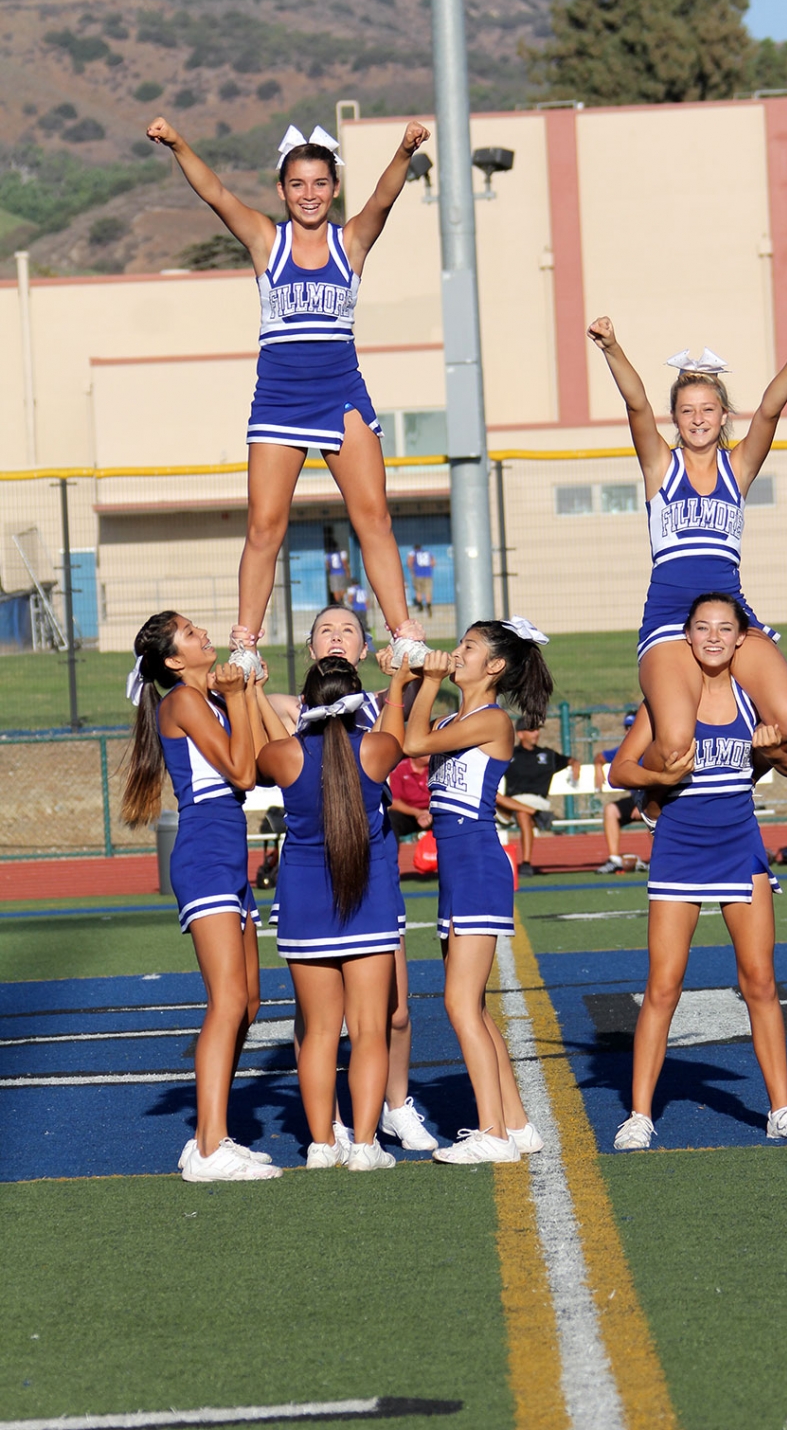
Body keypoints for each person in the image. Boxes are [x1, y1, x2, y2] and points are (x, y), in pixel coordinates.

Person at [145, 114, 430, 672]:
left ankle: (404, 635)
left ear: (334, 188)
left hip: (342, 393)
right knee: (264, 526)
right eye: (297, 184)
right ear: (281, 190)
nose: (309, 194)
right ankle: (246, 646)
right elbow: (216, 194)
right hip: (279, 399)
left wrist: (403, 150)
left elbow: (382, 200)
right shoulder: (265, 241)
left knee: (373, 516)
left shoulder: (350, 243)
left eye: (320, 183)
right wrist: (178, 142)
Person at [608, 592, 787, 1149]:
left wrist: (777, 745)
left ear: (743, 638)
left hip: (740, 849)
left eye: (724, 628)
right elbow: (620, 769)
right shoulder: (667, 701)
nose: (713, 637)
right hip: (679, 851)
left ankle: (781, 1109)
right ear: (685, 637)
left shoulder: (754, 698)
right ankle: (640, 1114)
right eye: (701, 627)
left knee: (760, 982)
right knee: (663, 988)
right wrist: (659, 780)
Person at [587, 316, 787, 775]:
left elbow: (769, 413)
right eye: (687, 410)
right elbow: (636, 406)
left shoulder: (737, 470)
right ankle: (652, 795)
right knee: (675, 743)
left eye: (708, 409)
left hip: (728, 612)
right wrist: (612, 347)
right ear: (674, 418)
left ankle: (741, 773)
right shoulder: (661, 466)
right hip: (670, 615)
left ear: (723, 415)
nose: (698, 418)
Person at [121, 611, 288, 1183]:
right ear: (173, 661)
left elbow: (261, 771)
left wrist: (254, 695)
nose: (203, 635)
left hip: (227, 857)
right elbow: (242, 773)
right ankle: (211, 1144)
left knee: (249, 1005)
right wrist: (238, 697)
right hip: (205, 855)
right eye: (190, 634)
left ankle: (208, 1138)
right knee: (227, 1001)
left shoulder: (208, 702)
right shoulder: (184, 703)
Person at [267, 602, 436, 1153]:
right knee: (323, 1021)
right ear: (311, 648)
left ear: (366, 649)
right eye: (325, 630)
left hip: (368, 864)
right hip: (332, 872)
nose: (337, 636)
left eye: (348, 630)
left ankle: (393, 1108)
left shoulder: (375, 709)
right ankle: (342, 1129)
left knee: (394, 1010)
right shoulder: (289, 710)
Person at [402, 616, 554, 1164]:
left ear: (494, 666)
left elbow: (413, 742)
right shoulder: (457, 715)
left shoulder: (491, 720)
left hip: (478, 865)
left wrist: (422, 680)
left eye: (467, 648)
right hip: (458, 868)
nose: (456, 653)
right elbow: (408, 743)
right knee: (477, 1007)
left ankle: (490, 1133)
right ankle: (515, 1124)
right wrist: (406, 676)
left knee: (459, 1003)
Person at [495, 719, 581, 877]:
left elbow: (569, 760)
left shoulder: (547, 755)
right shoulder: (509, 754)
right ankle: (535, 814)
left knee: (522, 814)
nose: (536, 733)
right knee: (492, 797)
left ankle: (526, 863)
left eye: (537, 729)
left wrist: (575, 763)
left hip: (536, 801)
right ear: (520, 734)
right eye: (531, 730)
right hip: (511, 804)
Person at [594, 710, 651, 874]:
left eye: (632, 726)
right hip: (637, 799)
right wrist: (599, 767)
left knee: (654, 812)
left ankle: (658, 860)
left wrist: (643, 804)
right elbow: (600, 756)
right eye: (627, 727)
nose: (628, 731)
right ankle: (614, 860)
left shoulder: (653, 747)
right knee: (611, 810)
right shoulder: (625, 749)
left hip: (655, 798)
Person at [387, 754, 432, 841]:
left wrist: (430, 813)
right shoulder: (400, 768)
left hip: (431, 812)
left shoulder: (435, 766)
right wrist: (418, 813)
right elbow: (394, 801)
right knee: (390, 820)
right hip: (409, 813)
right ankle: (391, 852)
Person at [407, 544, 436, 617]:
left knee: (418, 591)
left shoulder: (413, 553)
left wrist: (412, 570)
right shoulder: (428, 553)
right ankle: (428, 605)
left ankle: (420, 606)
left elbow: (409, 562)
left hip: (417, 575)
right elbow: (433, 563)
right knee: (428, 591)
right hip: (427, 575)